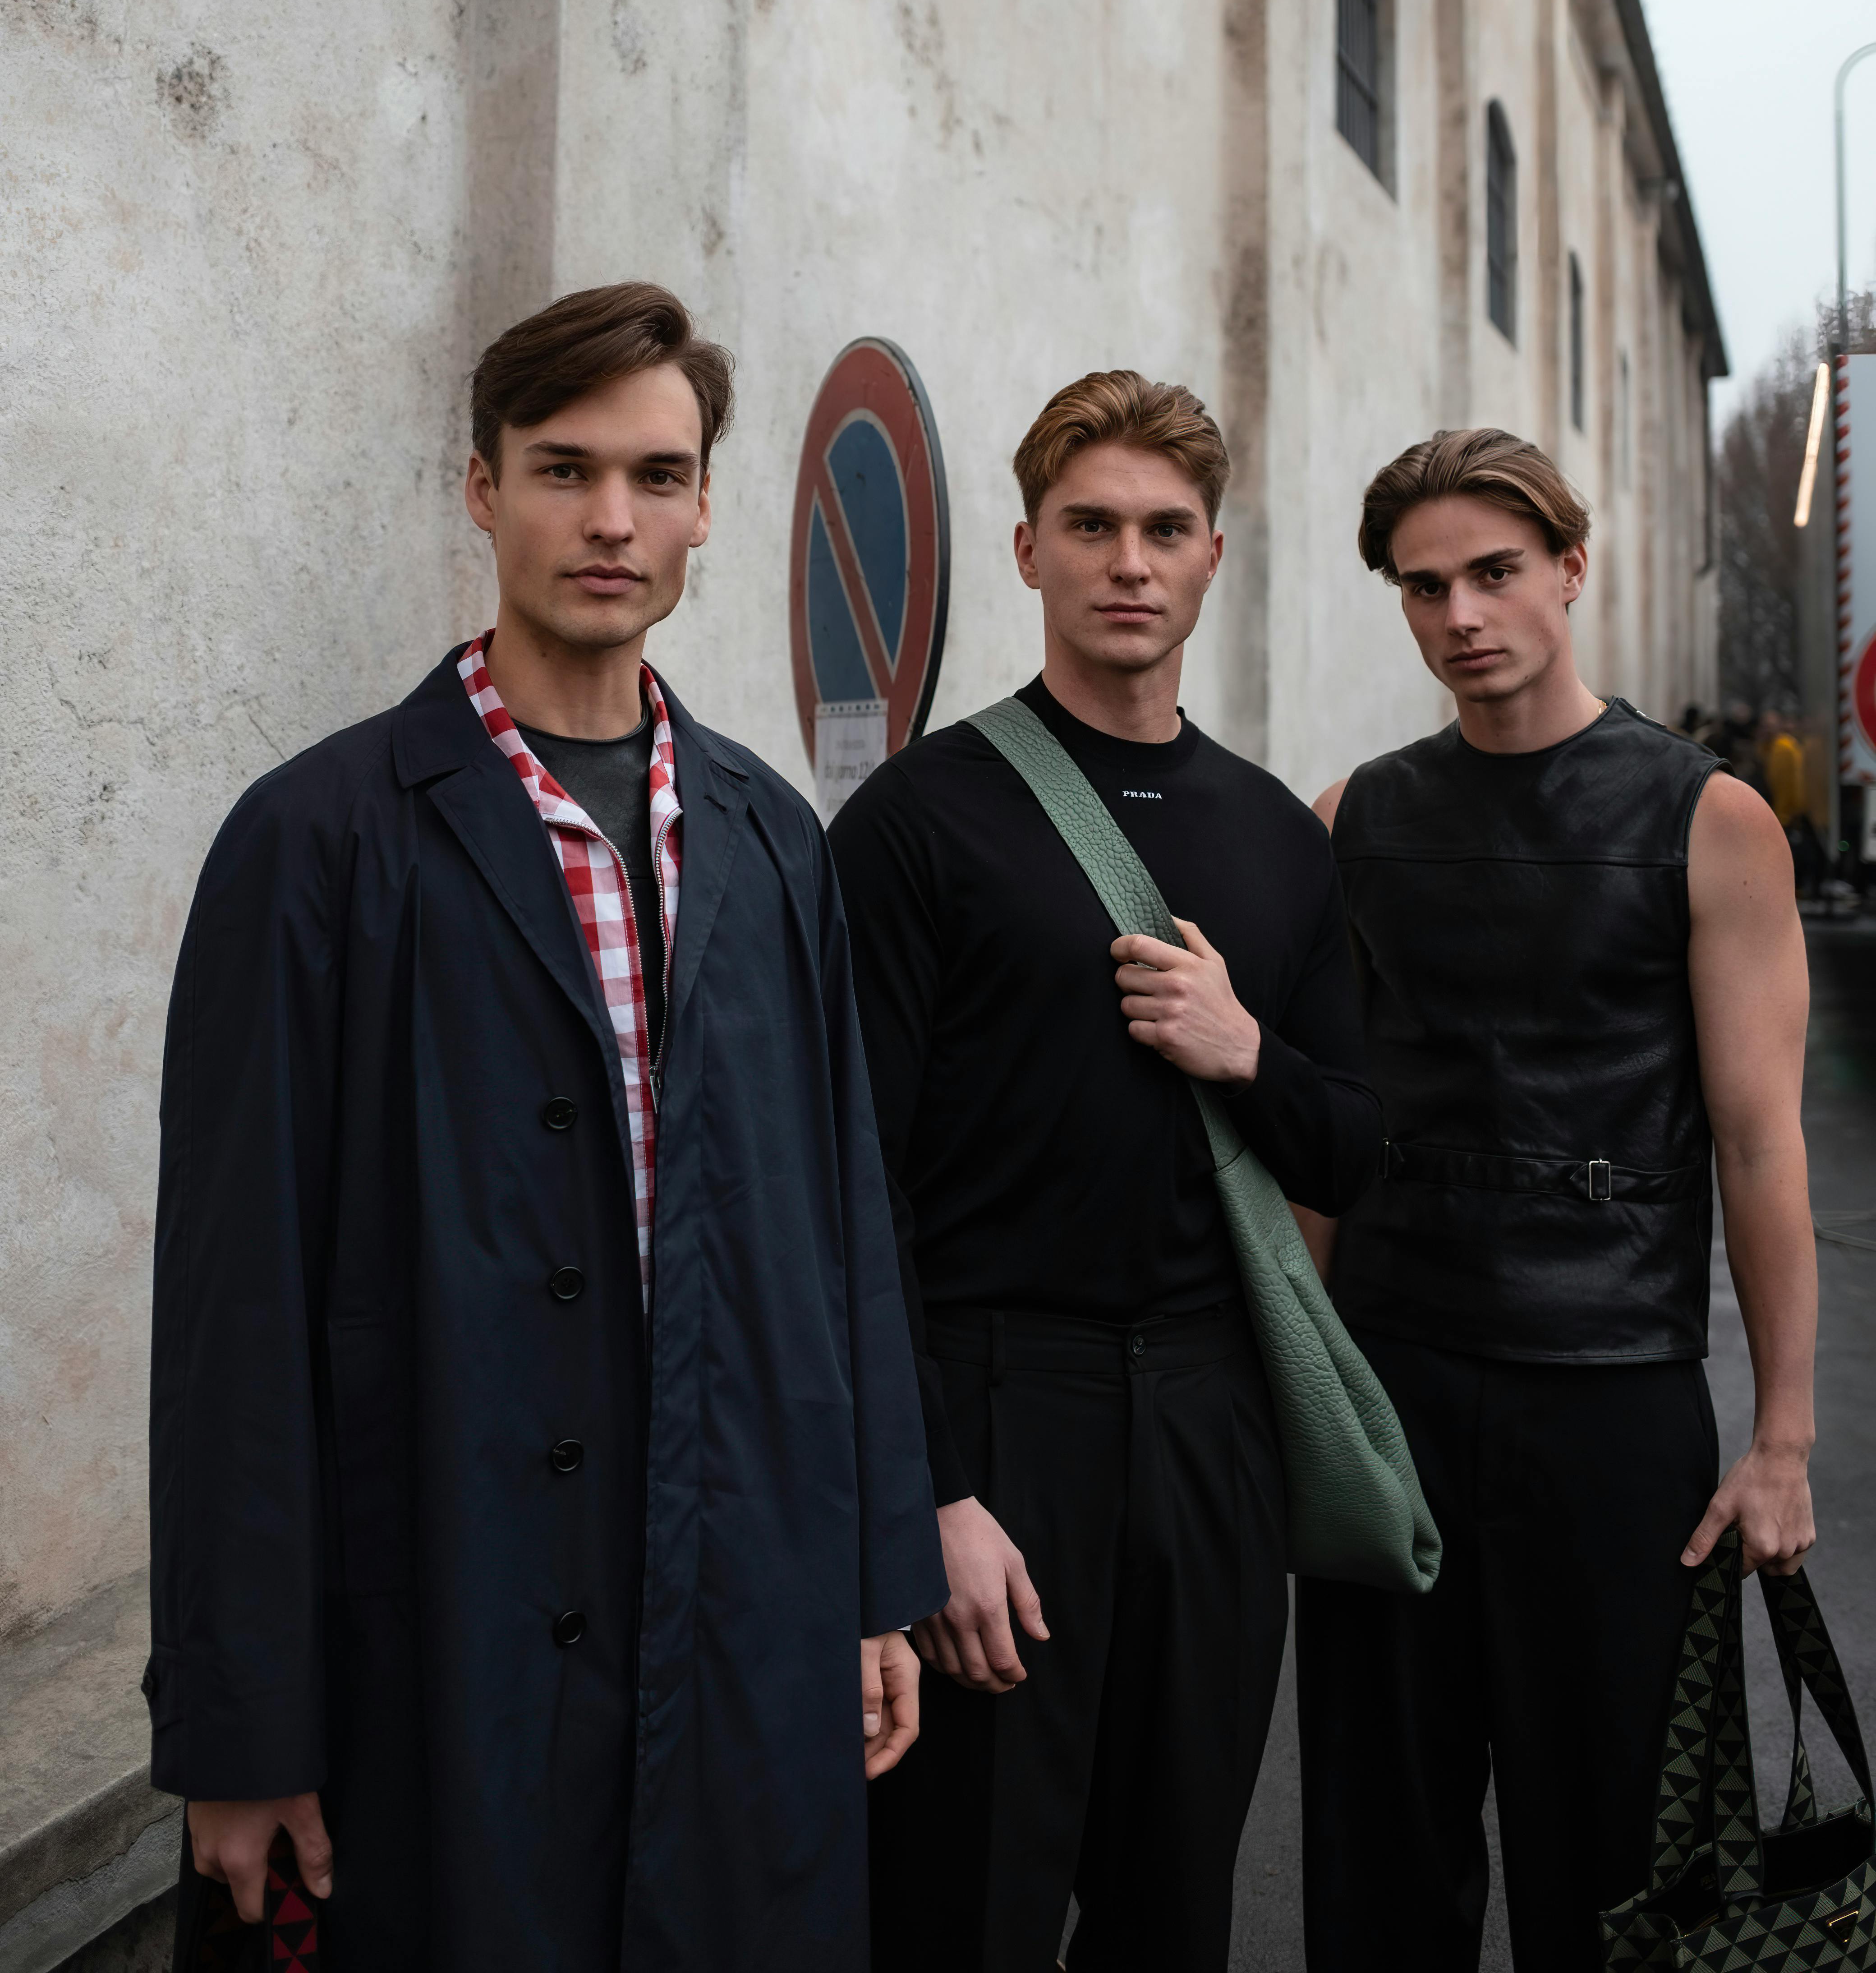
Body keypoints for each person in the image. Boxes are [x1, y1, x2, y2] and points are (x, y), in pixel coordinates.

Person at [147, 281, 945, 1973]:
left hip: (739, 1604)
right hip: (441, 1622)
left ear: (709, 507)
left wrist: (877, 1577)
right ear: (480, 489)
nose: (610, 519)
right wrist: (242, 1728)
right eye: (564, 468)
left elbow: (841, 1247)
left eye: (658, 476)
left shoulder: (772, 840)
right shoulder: (314, 842)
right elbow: (232, 1321)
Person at [829, 370, 1384, 1973]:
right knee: (962, 1906)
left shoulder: (1281, 836)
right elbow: (856, 1191)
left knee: (1175, 1904)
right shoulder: (919, 823)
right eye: (1091, 527)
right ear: (1026, 552)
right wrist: (926, 1495)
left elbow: (1356, 1143)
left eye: (1163, 529)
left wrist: (1243, 1051)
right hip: (1001, 1419)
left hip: (1216, 1427)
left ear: (1215, 558)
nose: (1128, 562)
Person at [1297, 426, 1816, 1973]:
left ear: (1568, 572)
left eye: (1496, 573)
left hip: (1610, 1405)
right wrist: (1305, 1389)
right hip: (1394, 1387)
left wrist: (1783, 1439)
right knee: (1379, 1853)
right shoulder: (1354, 819)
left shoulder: (1705, 818)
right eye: (1426, 585)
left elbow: (1760, 1141)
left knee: (1610, 1866)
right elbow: (1330, 1133)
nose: (1462, 613)